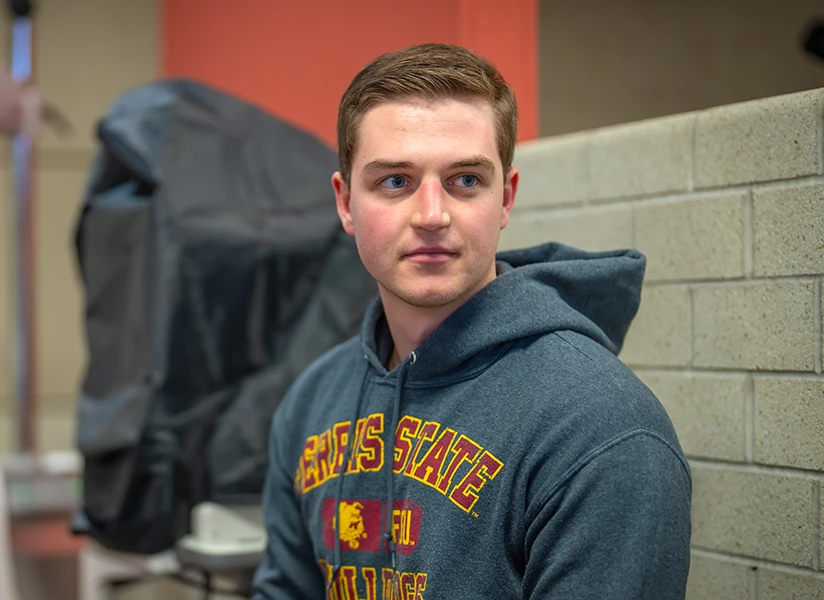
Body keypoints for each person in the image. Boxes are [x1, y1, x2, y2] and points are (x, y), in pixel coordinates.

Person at [250, 43, 691, 599]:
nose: (431, 215)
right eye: (394, 181)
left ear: (504, 199)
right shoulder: (312, 402)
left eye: (464, 181)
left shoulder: (601, 429)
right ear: (345, 203)